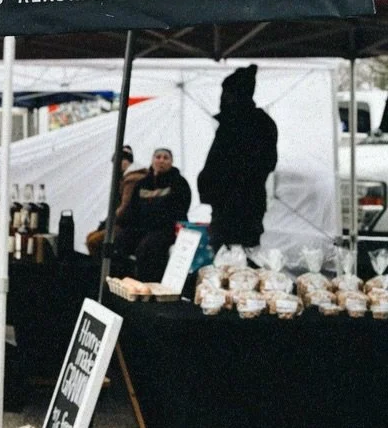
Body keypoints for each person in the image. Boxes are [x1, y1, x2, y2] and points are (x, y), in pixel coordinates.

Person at [197, 65, 279, 249]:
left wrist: (219, 184)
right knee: (238, 259)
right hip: (239, 203)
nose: (222, 98)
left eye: (225, 93)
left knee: (234, 261)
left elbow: (219, 164)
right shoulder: (257, 123)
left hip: (237, 204)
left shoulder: (238, 124)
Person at [114, 147, 191, 280]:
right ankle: (122, 281)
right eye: (158, 157)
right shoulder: (143, 183)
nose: (161, 160)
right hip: (142, 227)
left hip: (166, 229)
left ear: (171, 162)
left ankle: (147, 283)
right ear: (152, 160)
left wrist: (155, 215)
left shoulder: (179, 183)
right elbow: (133, 209)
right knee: (120, 240)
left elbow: (179, 209)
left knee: (147, 248)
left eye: (165, 158)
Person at [86, 145, 148, 257]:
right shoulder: (124, 178)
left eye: (122, 160)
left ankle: (101, 270)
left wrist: (109, 222)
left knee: (93, 241)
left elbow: (125, 207)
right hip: (124, 223)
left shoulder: (132, 179)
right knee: (91, 237)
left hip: (129, 226)